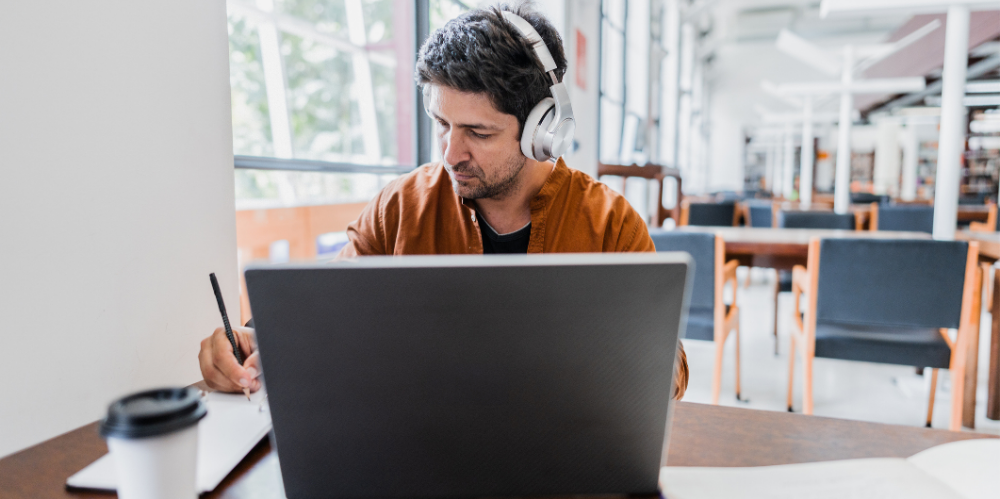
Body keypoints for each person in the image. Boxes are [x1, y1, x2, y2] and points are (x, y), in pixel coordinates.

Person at [199, 1, 689, 400]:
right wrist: (253, 340)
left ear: (543, 131)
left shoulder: (609, 223)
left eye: (478, 131)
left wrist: (635, 361)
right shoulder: (398, 208)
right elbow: (324, 314)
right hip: (417, 443)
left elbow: (670, 370)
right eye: (441, 124)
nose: (451, 153)